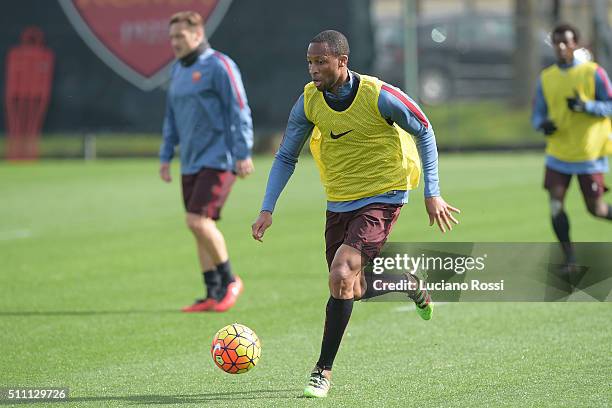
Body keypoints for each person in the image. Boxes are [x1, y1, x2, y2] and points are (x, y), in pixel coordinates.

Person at [251, 30, 460, 398]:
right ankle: (408, 284)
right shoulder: (308, 102)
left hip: (384, 195)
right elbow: (285, 156)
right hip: (339, 201)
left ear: (342, 61)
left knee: (341, 273)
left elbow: (424, 130)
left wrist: (433, 193)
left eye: (321, 62)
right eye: (310, 63)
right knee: (352, 288)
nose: (314, 69)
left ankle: (322, 371)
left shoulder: (379, 95)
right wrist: (267, 208)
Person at [160, 11, 254, 312]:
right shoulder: (176, 71)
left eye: (180, 36)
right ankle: (212, 292)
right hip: (190, 162)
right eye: (172, 37)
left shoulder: (220, 66)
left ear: (198, 35)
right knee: (200, 225)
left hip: (219, 158)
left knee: (197, 220)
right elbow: (172, 118)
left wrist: (243, 152)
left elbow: (239, 109)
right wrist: (166, 155)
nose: (174, 42)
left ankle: (230, 281)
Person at [532, 23, 612, 269]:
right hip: (558, 154)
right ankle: (570, 259)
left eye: (566, 42)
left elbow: (609, 105)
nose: (561, 47)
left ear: (576, 43)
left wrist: (587, 106)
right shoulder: (546, 78)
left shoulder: (593, 72)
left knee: (596, 209)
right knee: (555, 204)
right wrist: (542, 125)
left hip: (588, 153)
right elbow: (537, 115)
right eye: (557, 42)